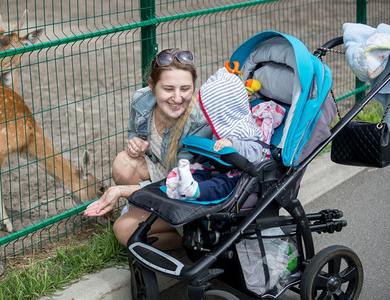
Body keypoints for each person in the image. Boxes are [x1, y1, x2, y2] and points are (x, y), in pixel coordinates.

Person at [84, 48, 213, 250]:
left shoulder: (198, 122)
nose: (177, 98)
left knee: (124, 231)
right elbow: (132, 130)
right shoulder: (141, 100)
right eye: (169, 89)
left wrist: (122, 190)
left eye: (185, 89)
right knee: (123, 162)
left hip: (185, 196)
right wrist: (135, 141)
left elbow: (178, 184)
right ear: (152, 86)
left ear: (193, 86)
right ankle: (147, 214)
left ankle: (191, 237)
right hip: (163, 174)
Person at [165, 66, 285, 201]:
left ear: (224, 112)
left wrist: (233, 144)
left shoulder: (245, 129)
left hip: (242, 173)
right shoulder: (223, 128)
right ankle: (182, 188)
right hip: (219, 166)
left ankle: (195, 191)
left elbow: (256, 151)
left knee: (222, 184)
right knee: (199, 170)